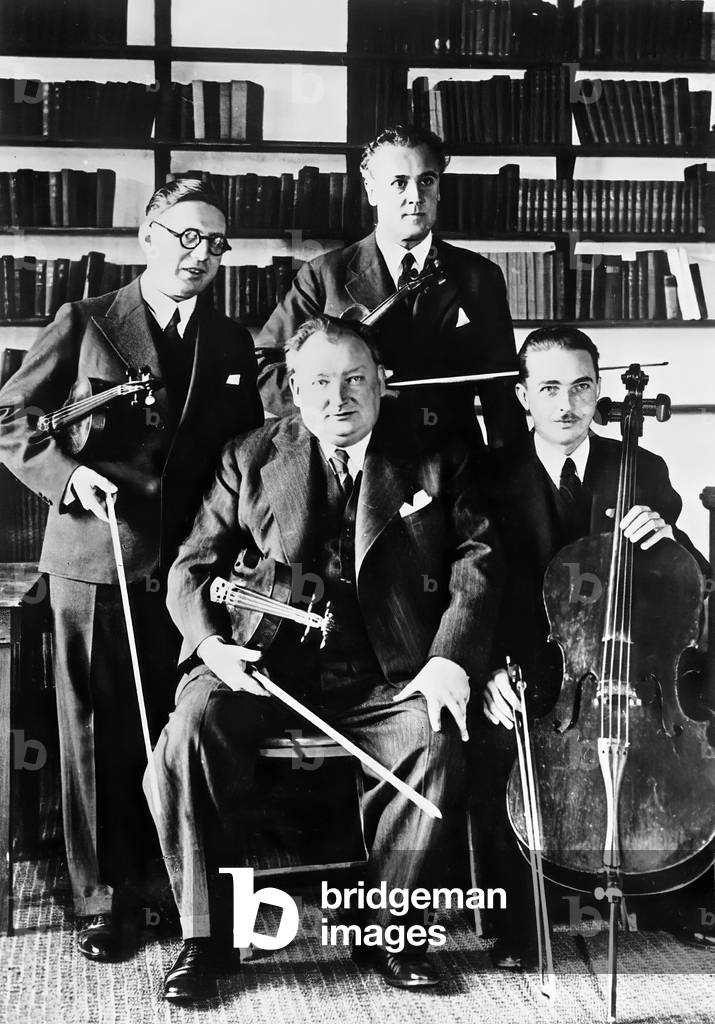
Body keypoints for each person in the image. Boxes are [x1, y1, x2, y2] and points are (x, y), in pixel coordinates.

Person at [148, 316, 501, 1002]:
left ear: (382, 382)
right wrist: (214, 647)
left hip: (386, 673)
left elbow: (477, 557)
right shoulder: (248, 456)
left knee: (430, 734)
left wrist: (447, 657)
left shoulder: (437, 455)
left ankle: (389, 928)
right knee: (188, 733)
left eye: (353, 380)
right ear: (292, 389)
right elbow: (192, 566)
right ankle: (208, 939)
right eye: (317, 383)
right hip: (258, 664)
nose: (337, 398)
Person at [0, 179, 264, 961]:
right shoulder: (84, 321)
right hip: (94, 558)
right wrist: (67, 477)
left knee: (168, 728)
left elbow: (242, 453)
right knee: (90, 733)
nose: (201, 255)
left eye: (216, 243)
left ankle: (167, 888)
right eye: (186, 237)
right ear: (148, 236)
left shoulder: (228, 340)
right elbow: (11, 416)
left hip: (187, 570)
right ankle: (99, 899)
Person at [471, 325, 710, 966]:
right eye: (549, 388)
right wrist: (487, 669)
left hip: (629, 665)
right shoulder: (487, 473)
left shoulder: (639, 467)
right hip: (531, 665)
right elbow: (469, 586)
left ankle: (681, 892)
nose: (567, 403)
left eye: (582, 386)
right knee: (503, 739)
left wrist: (665, 540)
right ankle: (521, 919)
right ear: (523, 396)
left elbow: (687, 586)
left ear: (599, 391)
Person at [256, 124, 526, 453]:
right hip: (357, 460)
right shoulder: (324, 274)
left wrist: (509, 482)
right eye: (399, 183)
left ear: (439, 188)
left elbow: (501, 392)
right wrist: (331, 403)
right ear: (371, 190)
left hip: (453, 466)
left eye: (426, 180)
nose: (415, 196)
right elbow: (263, 367)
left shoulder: (480, 277)